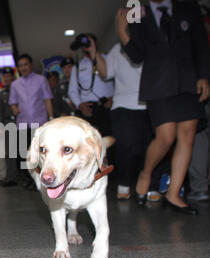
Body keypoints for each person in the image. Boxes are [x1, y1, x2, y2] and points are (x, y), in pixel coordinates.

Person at [118, 0, 210, 215]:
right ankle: (146, 173)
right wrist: (122, 31)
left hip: (189, 79)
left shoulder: (188, 6)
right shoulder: (134, 7)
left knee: (187, 135)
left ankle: (173, 194)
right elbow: (137, 54)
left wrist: (205, 76)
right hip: (158, 83)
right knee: (166, 136)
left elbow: (201, 45)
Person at [94, 40, 163, 202]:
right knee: (126, 147)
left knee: (155, 145)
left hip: (154, 102)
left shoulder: (153, 43)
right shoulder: (117, 49)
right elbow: (105, 73)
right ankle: (124, 182)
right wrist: (94, 51)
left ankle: (152, 185)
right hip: (124, 105)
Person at [9, 54, 54, 190]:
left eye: (25, 64)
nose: (23, 67)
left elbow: (47, 99)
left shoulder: (41, 80)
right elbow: (12, 102)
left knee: (40, 153)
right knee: (24, 154)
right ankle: (29, 179)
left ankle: (41, 180)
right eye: (20, 65)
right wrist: (15, 108)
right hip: (22, 123)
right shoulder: (15, 84)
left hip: (40, 123)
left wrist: (51, 118)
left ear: (31, 65)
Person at [68, 33, 114, 137]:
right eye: (83, 44)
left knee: (109, 142)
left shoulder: (109, 59)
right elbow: (72, 90)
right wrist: (79, 104)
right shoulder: (78, 66)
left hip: (108, 106)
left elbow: (119, 81)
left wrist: (114, 98)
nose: (86, 46)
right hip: (88, 109)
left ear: (95, 43)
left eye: (89, 42)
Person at [0, 67, 18, 187]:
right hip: (7, 124)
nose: (6, 78)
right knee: (9, 153)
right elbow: (0, 111)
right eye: (4, 77)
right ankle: (11, 178)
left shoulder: (19, 90)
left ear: (13, 77)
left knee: (24, 151)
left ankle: (28, 177)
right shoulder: (2, 93)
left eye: (8, 76)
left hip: (20, 122)